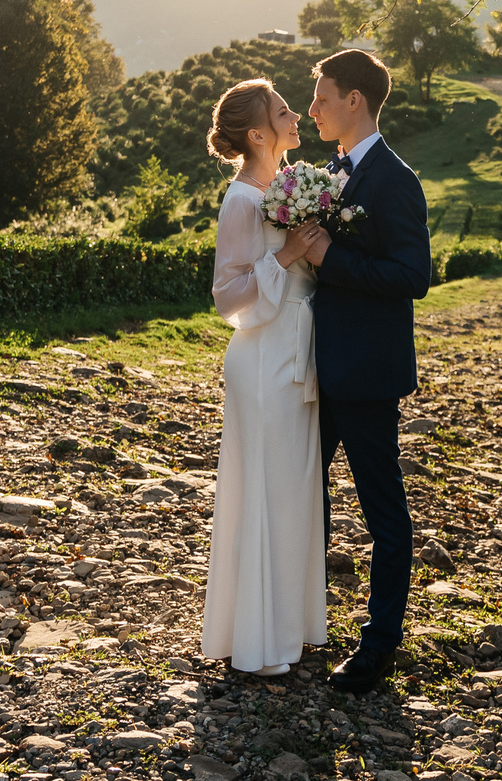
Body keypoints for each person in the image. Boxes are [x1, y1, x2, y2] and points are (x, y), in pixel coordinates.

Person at [288, 47, 433, 695]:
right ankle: (299, 622)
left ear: (356, 99)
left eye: (321, 95)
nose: (312, 106)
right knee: (303, 501)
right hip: (315, 367)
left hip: (369, 373)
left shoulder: (396, 179)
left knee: (383, 516)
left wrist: (330, 254)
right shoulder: (325, 173)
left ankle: (379, 645)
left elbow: (412, 275)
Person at [200, 78, 326, 675]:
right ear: (257, 134)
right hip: (262, 356)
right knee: (266, 488)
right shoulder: (244, 200)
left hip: (297, 351)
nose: (294, 113)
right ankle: (258, 640)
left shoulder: (285, 189)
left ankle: (289, 627)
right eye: (282, 110)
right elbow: (229, 296)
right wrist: (287, 255)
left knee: (293, 488)